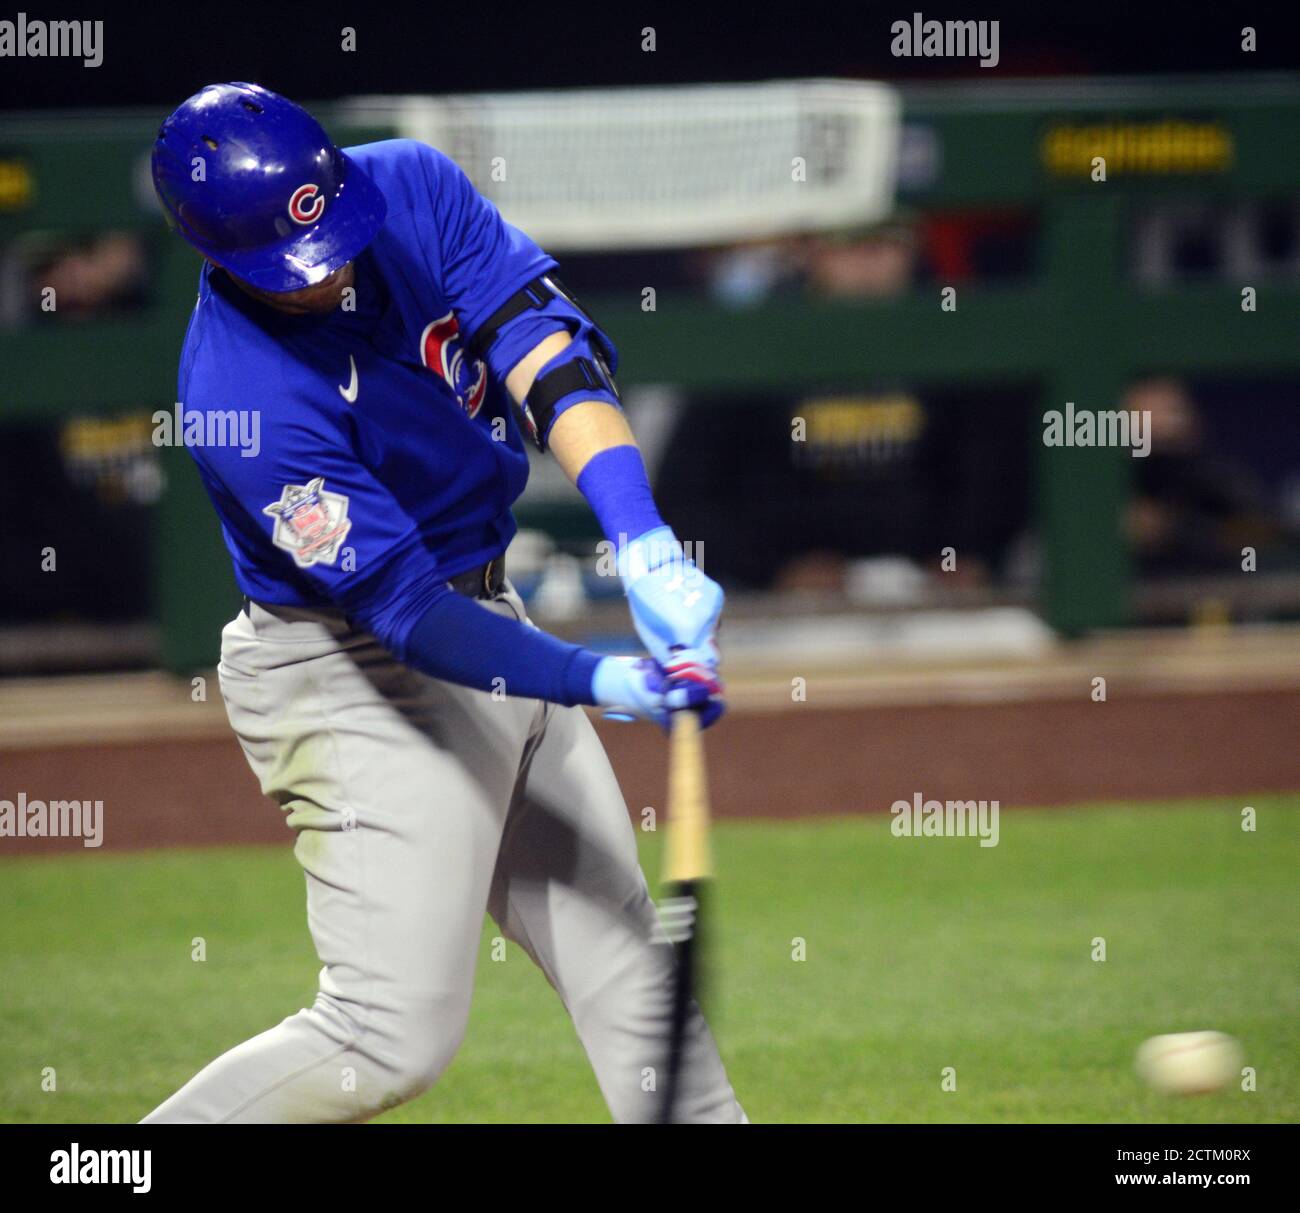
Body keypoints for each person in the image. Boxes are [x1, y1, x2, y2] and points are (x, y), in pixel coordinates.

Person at [142, 82, 743, 1124]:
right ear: (214, 254)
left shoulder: (411, 186)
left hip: (490, 621)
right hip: (348, 675)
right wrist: (604, 677)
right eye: (295, 264)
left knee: (627, 960)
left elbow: (543, 347)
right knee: (386, 1039)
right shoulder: (243, 403)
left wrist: (638, 535)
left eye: (330, 231)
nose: (325, 266)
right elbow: (410, 614)